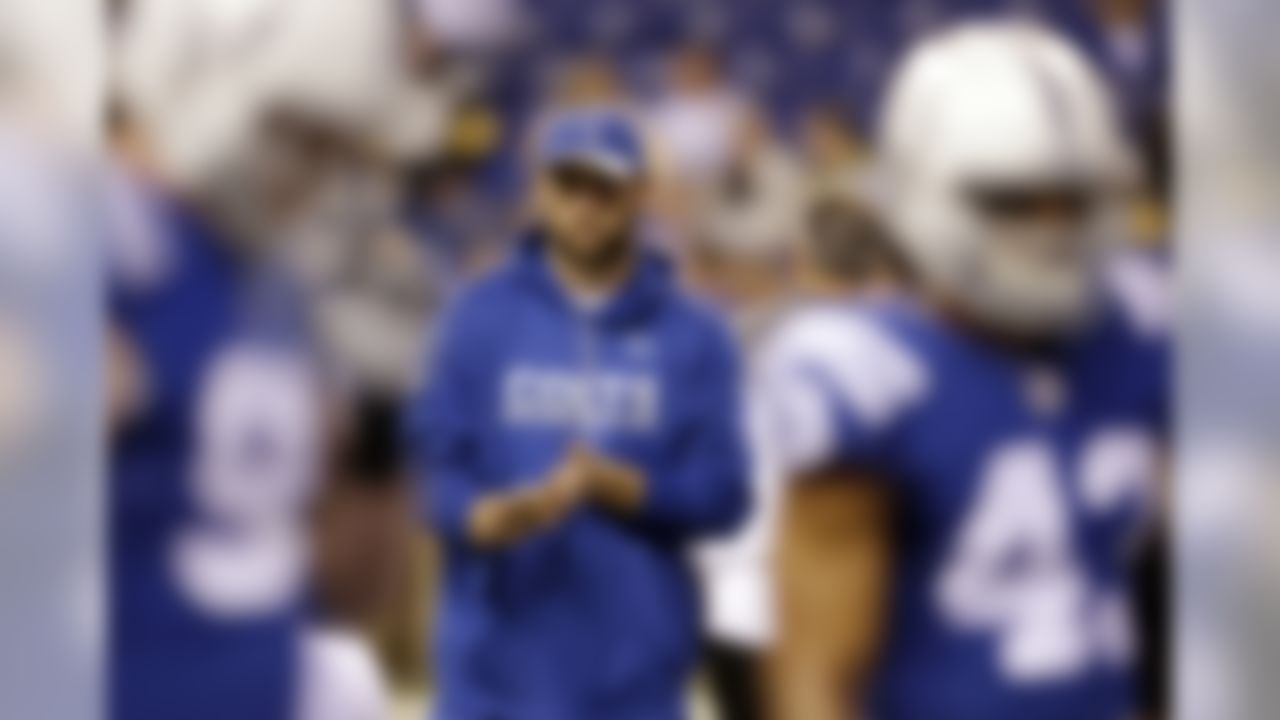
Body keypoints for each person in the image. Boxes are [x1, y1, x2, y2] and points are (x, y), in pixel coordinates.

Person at [765, 22, 1168, 720]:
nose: (1050, 229)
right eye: (1014, 201)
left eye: (1071, 198)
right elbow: (818, 678)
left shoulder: (1140, 332)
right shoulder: (872, 374)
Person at [109, 0, 404, 717]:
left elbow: (344, 596)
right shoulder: (107, 238)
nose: (312, 173)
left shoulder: (271, 285)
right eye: (301, 135)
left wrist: (382, 425)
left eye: (336, 146)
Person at [410, 107, 750, 719]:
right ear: (539, 191)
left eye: (606, 187)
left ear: (641, 193)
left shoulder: (696, 333)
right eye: (569, 185)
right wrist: (480, 514)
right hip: (494, 676)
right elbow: (426, 465)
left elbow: (726, 496)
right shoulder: (477, 315)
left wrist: (633, 490)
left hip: (633, 683)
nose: (586, 205)